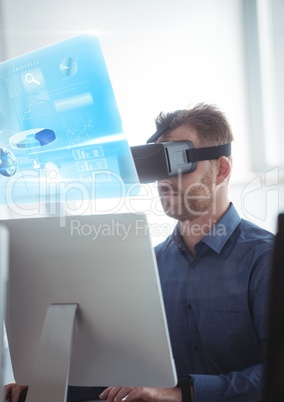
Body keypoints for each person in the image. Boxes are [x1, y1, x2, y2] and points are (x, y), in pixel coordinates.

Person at [5, 103, 275, 402]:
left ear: (221, 170)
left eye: (178, 163)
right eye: (158, 168)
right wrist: (48, 384)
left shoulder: (266, 261)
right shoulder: (148, 266)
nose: (164, 181)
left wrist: (181, 394)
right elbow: (124, 372)